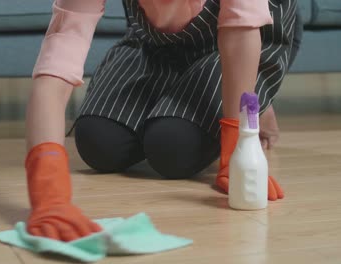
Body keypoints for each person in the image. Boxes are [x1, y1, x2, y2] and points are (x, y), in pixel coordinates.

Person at [25, 0, 301, 242]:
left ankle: (258, 97)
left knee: (172, 146)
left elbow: (241, 32)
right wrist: (47, 187)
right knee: (100, 142)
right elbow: (60, 53)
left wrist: (239, 141)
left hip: (241, 37)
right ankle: (179, 84)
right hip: (158, 43)